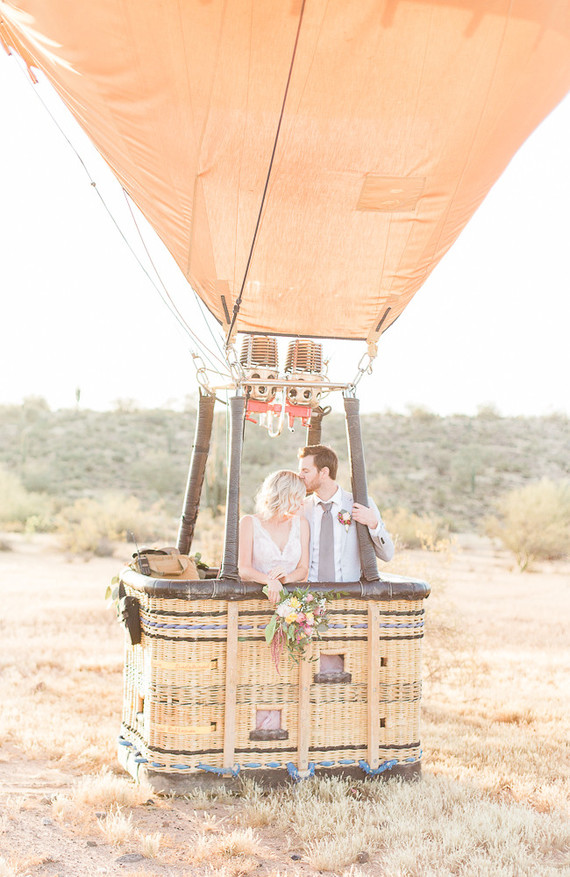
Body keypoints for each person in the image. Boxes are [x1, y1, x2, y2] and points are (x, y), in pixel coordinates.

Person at [298, 444, 394, 582]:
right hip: (308, 596)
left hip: (348, 596)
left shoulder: (360, 504)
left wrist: (374, 524)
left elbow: (388, 554)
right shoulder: (301, 508)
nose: (300, 476)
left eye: (305, 471)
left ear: (324, 472)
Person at [239, 469, 310, 603]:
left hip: (292, 602)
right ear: (285, 495)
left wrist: (285, 579)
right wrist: (270, 581)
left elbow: (303, 569)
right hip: (253, 601)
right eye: (298, 497)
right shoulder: (248, 522)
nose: (302, 503)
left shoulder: (301, 524)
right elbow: (243, 569)